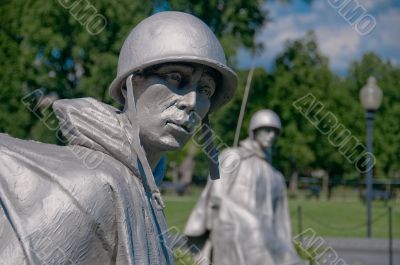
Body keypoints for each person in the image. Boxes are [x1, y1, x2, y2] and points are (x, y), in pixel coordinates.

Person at [0, 11, 237, 265]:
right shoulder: (91, 185)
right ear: (129, 85)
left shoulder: (144, 185)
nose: (191, 102)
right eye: (175, 78)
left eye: (205, 90)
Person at [184, 110, 305, 265]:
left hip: (265, 234)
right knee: (256, 234)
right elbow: (216, 195)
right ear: (254, 131)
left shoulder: (276, 177)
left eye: (275, 132)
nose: (271, 136)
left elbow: (281, 222)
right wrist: (247, 220)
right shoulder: (233, 157)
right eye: (267, 130)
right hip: (231, 225)